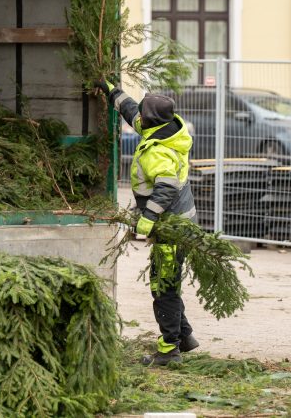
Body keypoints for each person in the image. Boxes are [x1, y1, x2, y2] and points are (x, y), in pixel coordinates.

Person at [96, 78, 200, 366]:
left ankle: (169, 351)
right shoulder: (164, 130)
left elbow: (166, 185)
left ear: (150, 118)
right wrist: (111, 91)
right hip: (179, 224)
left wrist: (148, 217)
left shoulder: (158, 150)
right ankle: (185, 336)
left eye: (143, 113)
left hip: (172, 229)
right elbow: (131, 111)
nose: (138, 117)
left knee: (163, 286)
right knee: (167, 282)